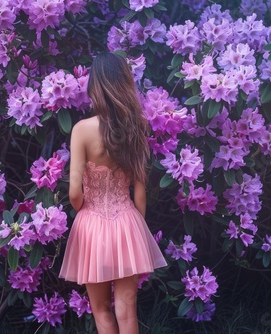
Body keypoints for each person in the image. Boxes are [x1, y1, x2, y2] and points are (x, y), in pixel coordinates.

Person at [59, 52, 167, 334]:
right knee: (126, 309)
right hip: (127, 221)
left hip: (91, 224)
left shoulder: (82, 129)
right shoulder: (137, 128)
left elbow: (74, 193)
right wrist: (137, 228)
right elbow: (140, 191)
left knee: (101, 309)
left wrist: (84, 206)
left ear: (95, 86)